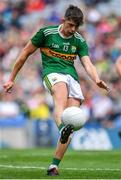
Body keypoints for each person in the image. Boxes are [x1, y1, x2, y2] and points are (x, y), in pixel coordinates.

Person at [3, 5, 109, 176]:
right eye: (70, 25)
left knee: (72, 122)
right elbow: (24, 54)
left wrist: (96, 79)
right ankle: (61, 129)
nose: (72, 29)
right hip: (52, 73)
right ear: (63, 20)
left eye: (76, 26)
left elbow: (87, 63)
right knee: (61, 93)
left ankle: (54, 165)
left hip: (72, 77)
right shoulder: (46, 33)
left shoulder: (79, 40)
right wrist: (11, 79)